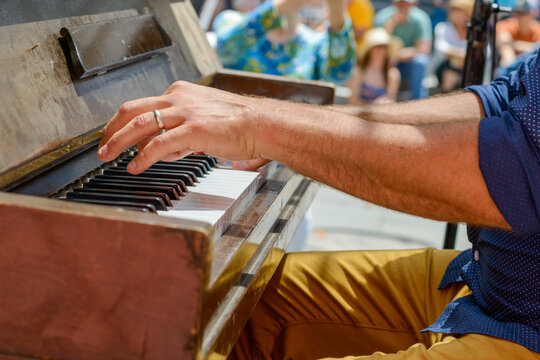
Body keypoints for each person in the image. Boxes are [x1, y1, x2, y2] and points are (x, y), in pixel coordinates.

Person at [97, 45, 540, 359]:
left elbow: (513, 176)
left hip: (527, 329)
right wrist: (280, 121)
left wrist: (265, 126)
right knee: (212, 305)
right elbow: (499, 104)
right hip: (487, 282)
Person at [212, 0, 356, 84]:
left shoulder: (313, 43)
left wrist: (337, 11)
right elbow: (225, 46)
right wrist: (283, 5)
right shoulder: (231, 20)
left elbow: (339, 75)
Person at [374, 0, 432, 99]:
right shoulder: (382, 17)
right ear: (393, 3)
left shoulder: (421, 18)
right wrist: (391, 24)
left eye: (406, 3)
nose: (403, 6)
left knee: (421, 61)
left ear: (414, 4)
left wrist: (397, 55)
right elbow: (376, 46)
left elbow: (424, 48)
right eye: (400, 3)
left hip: (407, 63)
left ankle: (417, 101)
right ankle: (376, 97)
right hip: (387, 62)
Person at [347, 28, 402, 103]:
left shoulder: (393, 74)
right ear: (370, 50)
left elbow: (392, 100)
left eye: (385, 47)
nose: (382, 51)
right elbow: (352, 100)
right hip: (359, 114)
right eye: (378, 47)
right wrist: (373, 105)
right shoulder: (358, 71)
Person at [431, 0, 474, 93]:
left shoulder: (474, 31)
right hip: (444, 67)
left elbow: (487, 53)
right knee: (450, 70)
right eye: (452, 10)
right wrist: (464, 54)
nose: (454, 13)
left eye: (458, 10)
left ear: (467, 13)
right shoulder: (443, 27)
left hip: (469, 69)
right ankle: (446, 97)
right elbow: (441, 48)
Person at [496, 0, 540, 71]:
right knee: (507, 53)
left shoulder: (537, 29)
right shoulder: (505, 25)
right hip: (512, 67)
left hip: (531, 67)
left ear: (533, 14)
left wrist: (514, 44)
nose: (520, 17)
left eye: (524, 13)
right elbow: (504, 44)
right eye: (518, 13)